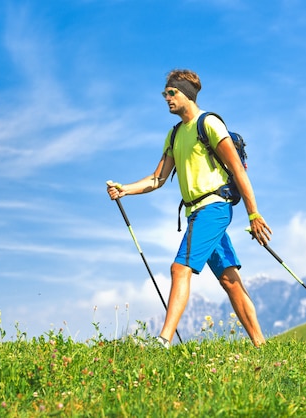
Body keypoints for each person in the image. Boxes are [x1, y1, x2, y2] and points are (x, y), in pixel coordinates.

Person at [106, 69, 272, 348]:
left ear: (186, 93)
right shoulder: (173, 135)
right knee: (229, 280)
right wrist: (125, 189)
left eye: (171, 93)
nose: (166, 98)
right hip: (196, 213)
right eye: (164, 94)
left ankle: (163, 341)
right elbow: (157, 178)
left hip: (213, 208)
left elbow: (238, 171)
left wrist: (253, 214)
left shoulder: (209, 124)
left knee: (179, 268)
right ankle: (261, 345)